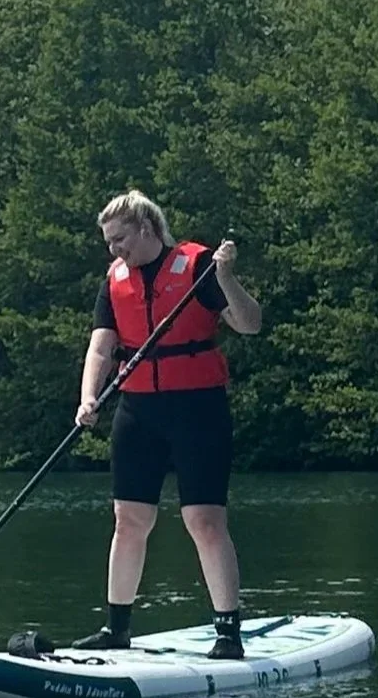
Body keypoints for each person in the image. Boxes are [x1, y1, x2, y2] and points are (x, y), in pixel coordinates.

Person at [72, 192, 262, 658]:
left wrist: (225, 278)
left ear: (146, 229)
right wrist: (88, 397)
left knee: (203, 519)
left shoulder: (197, 268)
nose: (113, 250)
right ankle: (117, 628)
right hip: (138, 410)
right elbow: (101, 348)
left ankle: (228, 632)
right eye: (108, 242)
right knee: (129, 519)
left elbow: (250, 323)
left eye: (119, 239)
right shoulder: (115, 282)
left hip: (198, 409)